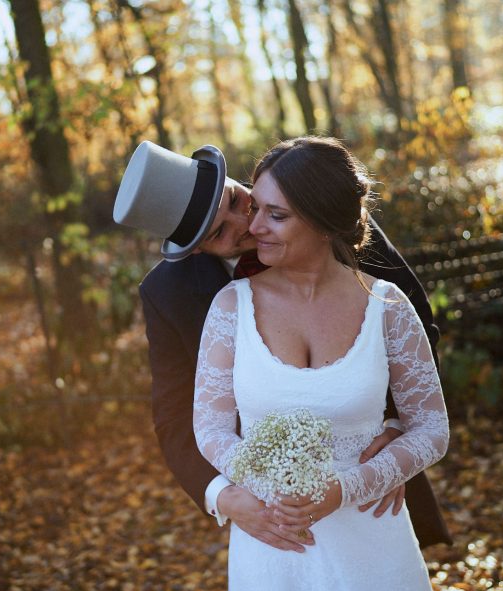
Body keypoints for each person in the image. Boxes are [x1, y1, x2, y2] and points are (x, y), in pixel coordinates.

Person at [113, 140, 450, 554]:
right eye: (221, 231)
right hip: (275, 517)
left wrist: (397, 430)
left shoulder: (317, 203)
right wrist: (224, 495)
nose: (248, 222)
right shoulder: (169, 295)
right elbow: (175, 417)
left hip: (374, 494)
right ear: (196, 249)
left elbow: (413, 323)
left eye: (237, 199)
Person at [192, 136, 448, 591]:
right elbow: (210, 427)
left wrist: (346, 488)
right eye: (257, 208)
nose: (255, 225)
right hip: (274, 541)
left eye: (277, 215)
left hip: (373, 540)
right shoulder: (230, 307)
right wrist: (268, 487)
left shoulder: (388, 305)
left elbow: (432, 428)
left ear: (324, 221)